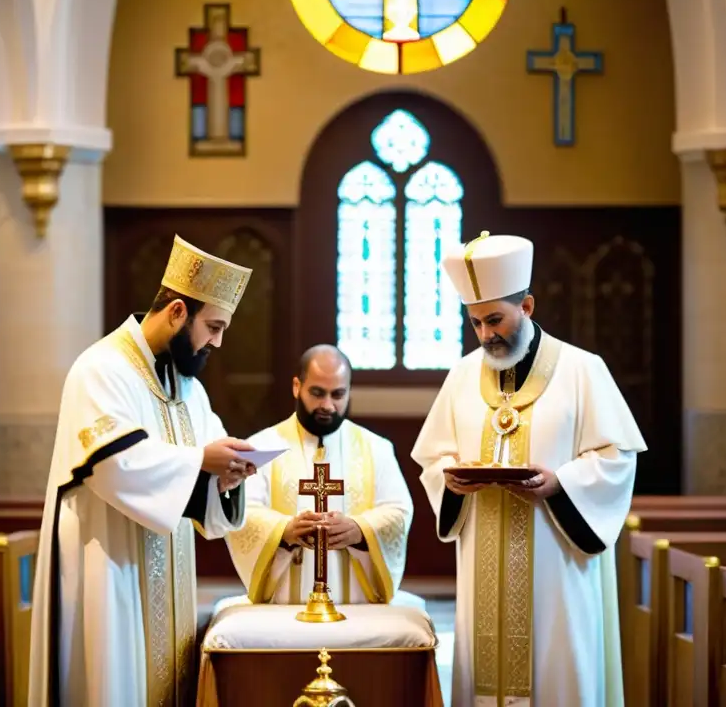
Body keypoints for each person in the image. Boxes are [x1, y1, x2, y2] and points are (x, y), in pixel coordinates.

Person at [410, 231, 646, 707]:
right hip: (483, 557)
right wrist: (452, 479)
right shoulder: (460, 376)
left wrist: (562, 483)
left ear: (529, 306)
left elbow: (616, 457)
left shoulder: (583, 370)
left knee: (559, 671)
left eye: (494, 319)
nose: (485, 335)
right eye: (475, 323)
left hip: (556, 564)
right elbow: (433, 458)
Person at [28, 235, 260, 707]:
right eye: (213, 326)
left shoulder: (187, 386)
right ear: (177, 311)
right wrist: (201, 461)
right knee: (113, 680)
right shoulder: (101, 368)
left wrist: (228, 476)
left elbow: (211, 459)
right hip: (108, 562)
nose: (217, 341)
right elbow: (112, 464)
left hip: (167, 565)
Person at [226, 344, 414, 606]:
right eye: (317, 393)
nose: (327, 405)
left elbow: (399, 511)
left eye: (338, 394)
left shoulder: (377, 448)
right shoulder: (262, 447)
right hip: (285, 606)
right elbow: (242, 513)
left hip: (356, 606)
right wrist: (284, 530)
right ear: (296, 387)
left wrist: (360, 529)